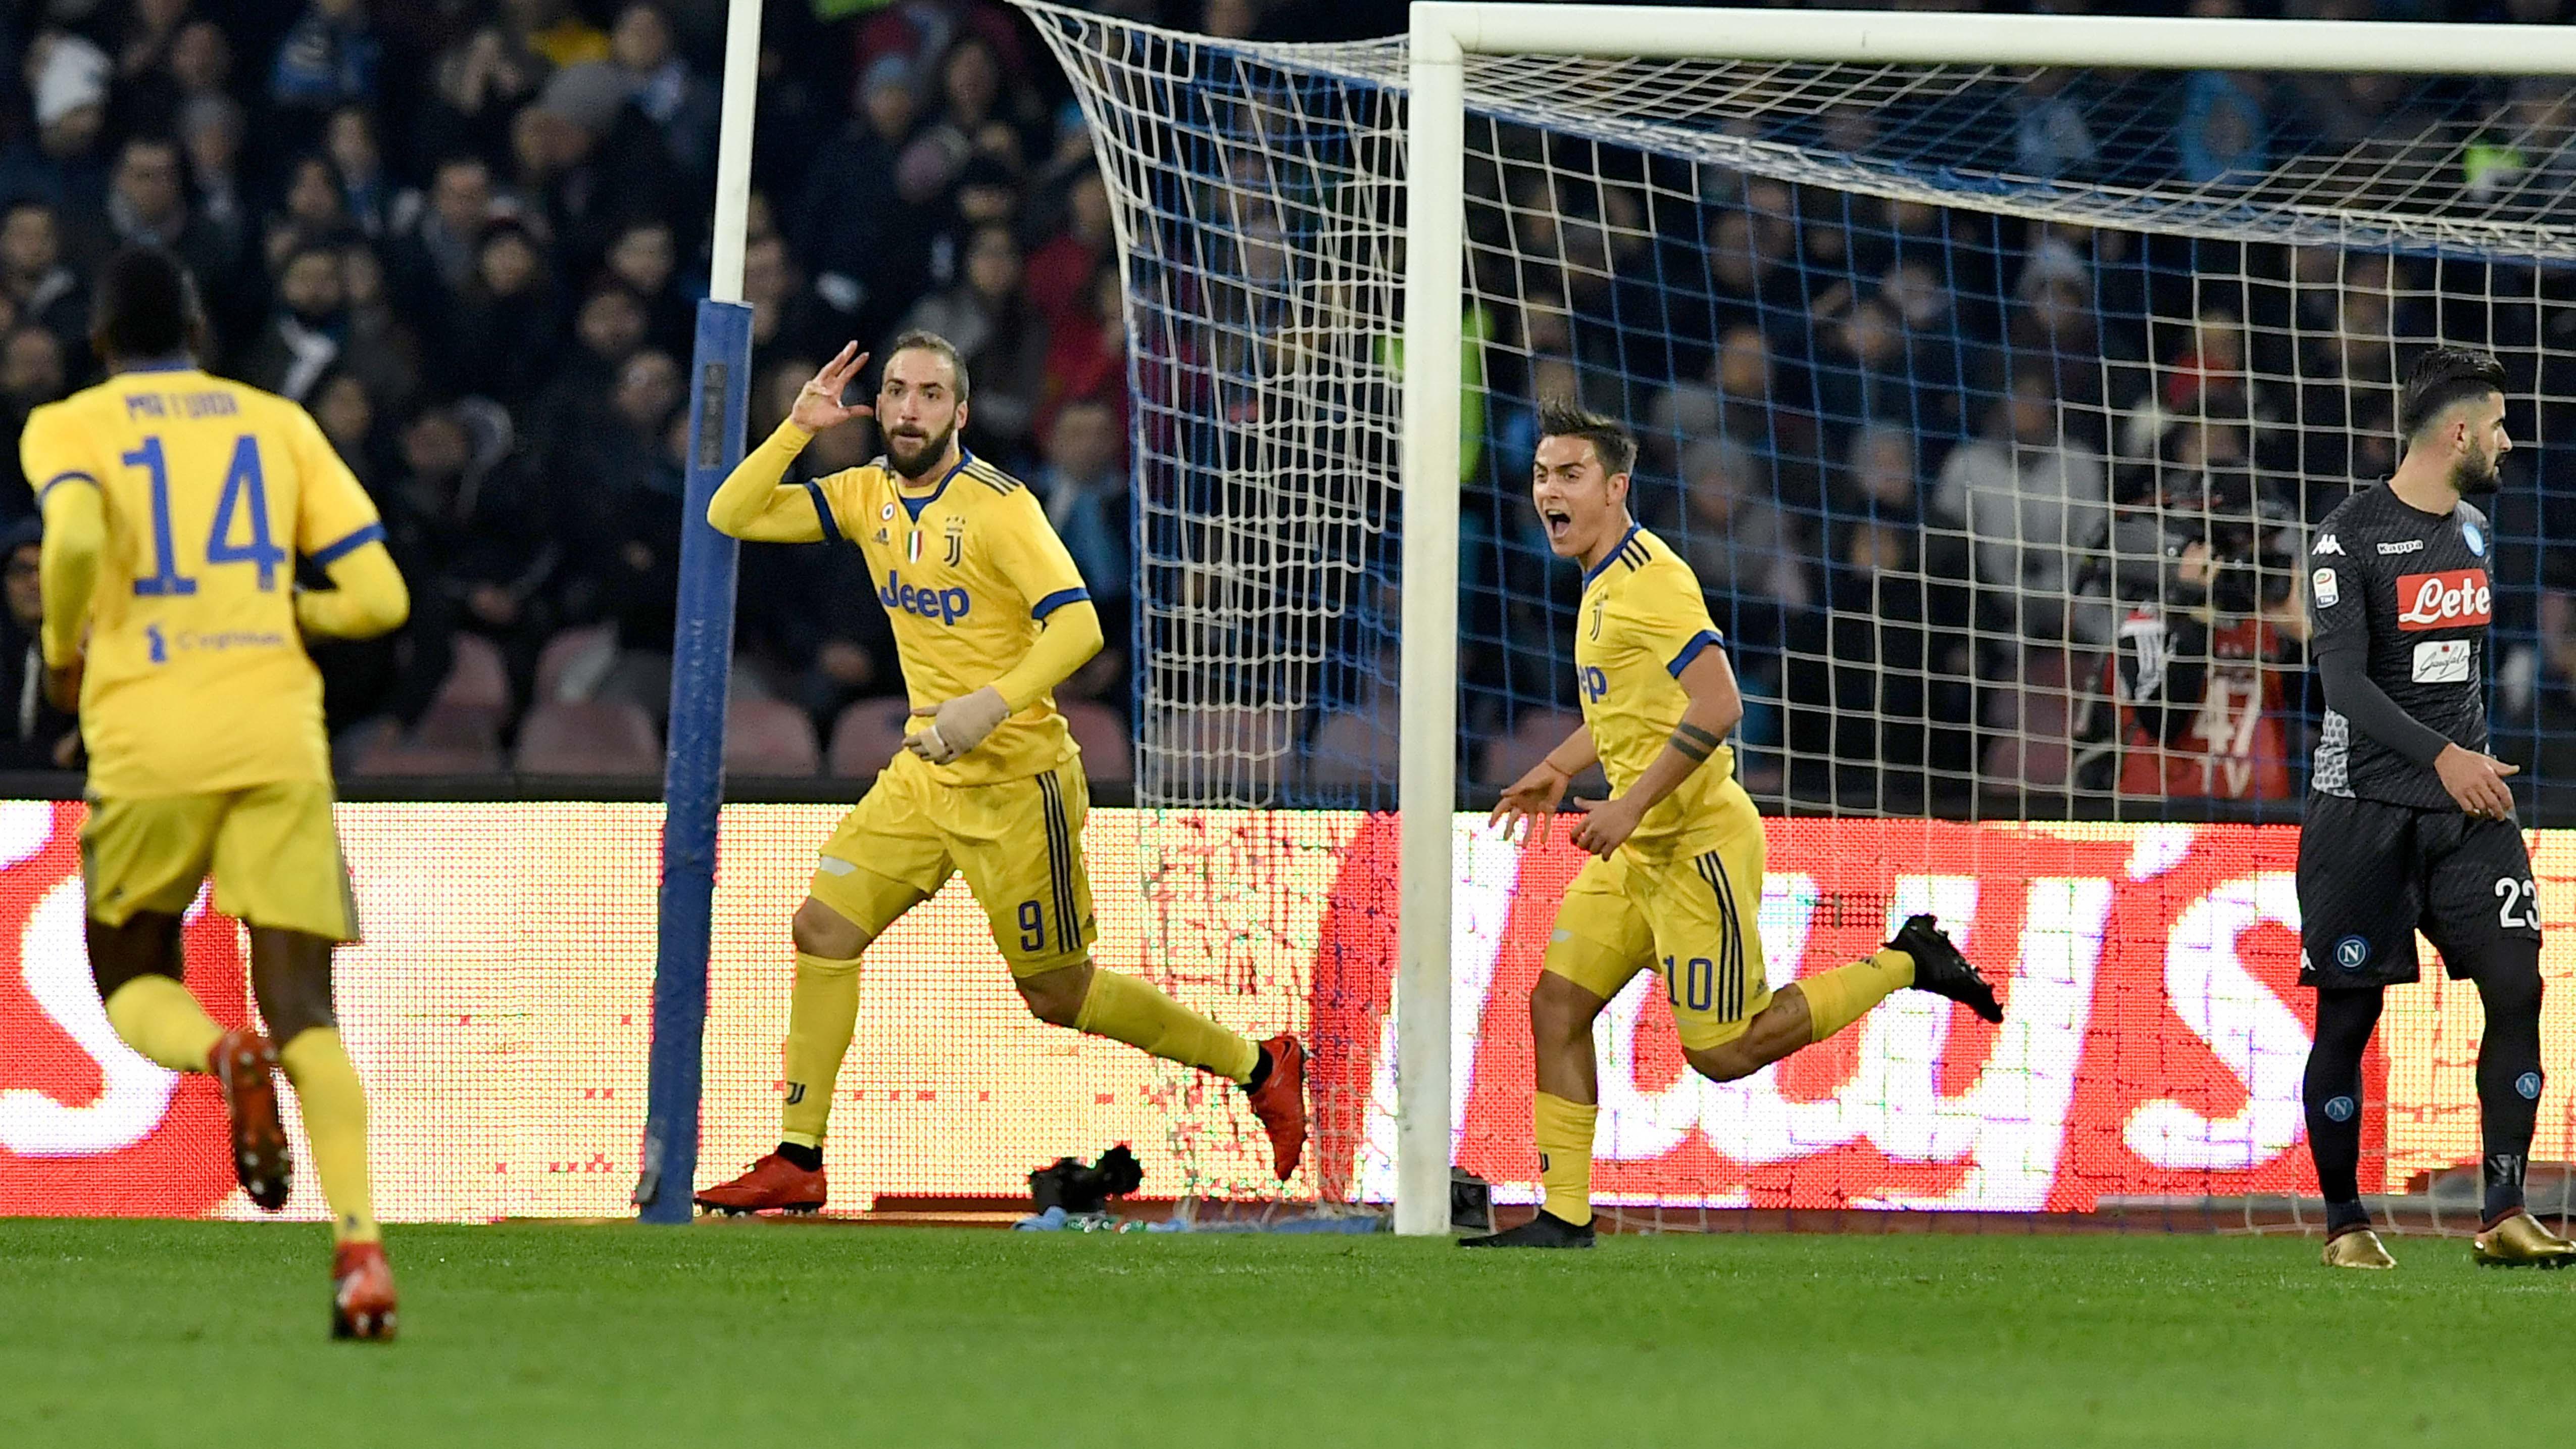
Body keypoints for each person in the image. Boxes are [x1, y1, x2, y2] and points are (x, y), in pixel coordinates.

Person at [692, 333, 1306, 1213]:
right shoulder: (864, 493)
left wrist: (989, 704)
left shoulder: (1000, 506)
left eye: (930, 395)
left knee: (1056, 993)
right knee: (823, 930)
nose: (909, 409)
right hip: (924, 775)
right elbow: (732, 513)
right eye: (897, 392)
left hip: (1020, 783)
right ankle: (799, 1155)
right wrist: (795, 429)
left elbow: (1078, 627)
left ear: (962, 413)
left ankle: (1260, 1064)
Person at [1459, 400, 2001, 1250]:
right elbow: (1636, 708)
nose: (1549, 493)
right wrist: (1562, 767)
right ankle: (1565, 1217)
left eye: (1569, 475)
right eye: (1541, 475)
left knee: (1723, 1051)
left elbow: (1721, 703)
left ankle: (1907, 959)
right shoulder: (1603, 581)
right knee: (1556, 1004)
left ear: (1615, 487)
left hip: (1694, 844)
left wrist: (1630, 803)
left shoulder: (1653, 580)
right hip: (1637, 844)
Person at [16, 248, 410, 1336]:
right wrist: (294, 610)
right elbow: (378, 597)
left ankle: (216, 1053)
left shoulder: (68, 425)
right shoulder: (276, 422)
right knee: (306, 1012)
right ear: (199, 330)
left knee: (134, 971)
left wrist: (60, 652)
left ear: (99, 340)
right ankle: (363, 1256)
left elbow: (83, 534)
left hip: (148, 736)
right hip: (276, 733)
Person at [2296, 347, 2569, 1271]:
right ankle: (2345, 1224)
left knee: (2519, 985)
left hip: (2467, 809)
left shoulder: (2479, 534)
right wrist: (2443, 754)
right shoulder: (2347, 538)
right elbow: (2340, 683)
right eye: (2496, 425)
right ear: (2457, 432)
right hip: (2363, 808)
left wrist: (2468, 755)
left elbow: (2459, 673)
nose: (2507, 441)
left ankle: (2503, 1211)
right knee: (2348, 1019)